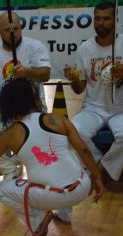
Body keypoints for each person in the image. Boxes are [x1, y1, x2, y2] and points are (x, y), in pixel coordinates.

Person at [0, 79, 104, 236]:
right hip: (82, 187)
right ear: (34, 99)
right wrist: (96, 178)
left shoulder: (10, 134)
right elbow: (83, 150)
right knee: (68, 160)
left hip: (51, 196)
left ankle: (40, 219)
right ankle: (60, 214)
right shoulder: (57, 119)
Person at [0, 12, 51, 180]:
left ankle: (33, 172)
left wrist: (27, 71)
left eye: (16, 29)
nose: (12, 33)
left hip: (31, 106)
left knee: (34, 137)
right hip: (2, 105)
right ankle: (8, 169)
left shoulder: (35, 46)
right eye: (7, 30)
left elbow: (45, 75)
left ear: (21, 27)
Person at [64, 2, 123, 184]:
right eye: (97, 19)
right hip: (93, 108)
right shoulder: (85, 49)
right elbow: (79, 88)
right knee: (74, 131)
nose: (101, 23)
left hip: (120, 108)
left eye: (106, 19)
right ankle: (95, 162)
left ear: (116, 19)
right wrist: (74, 79)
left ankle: (103, 168)